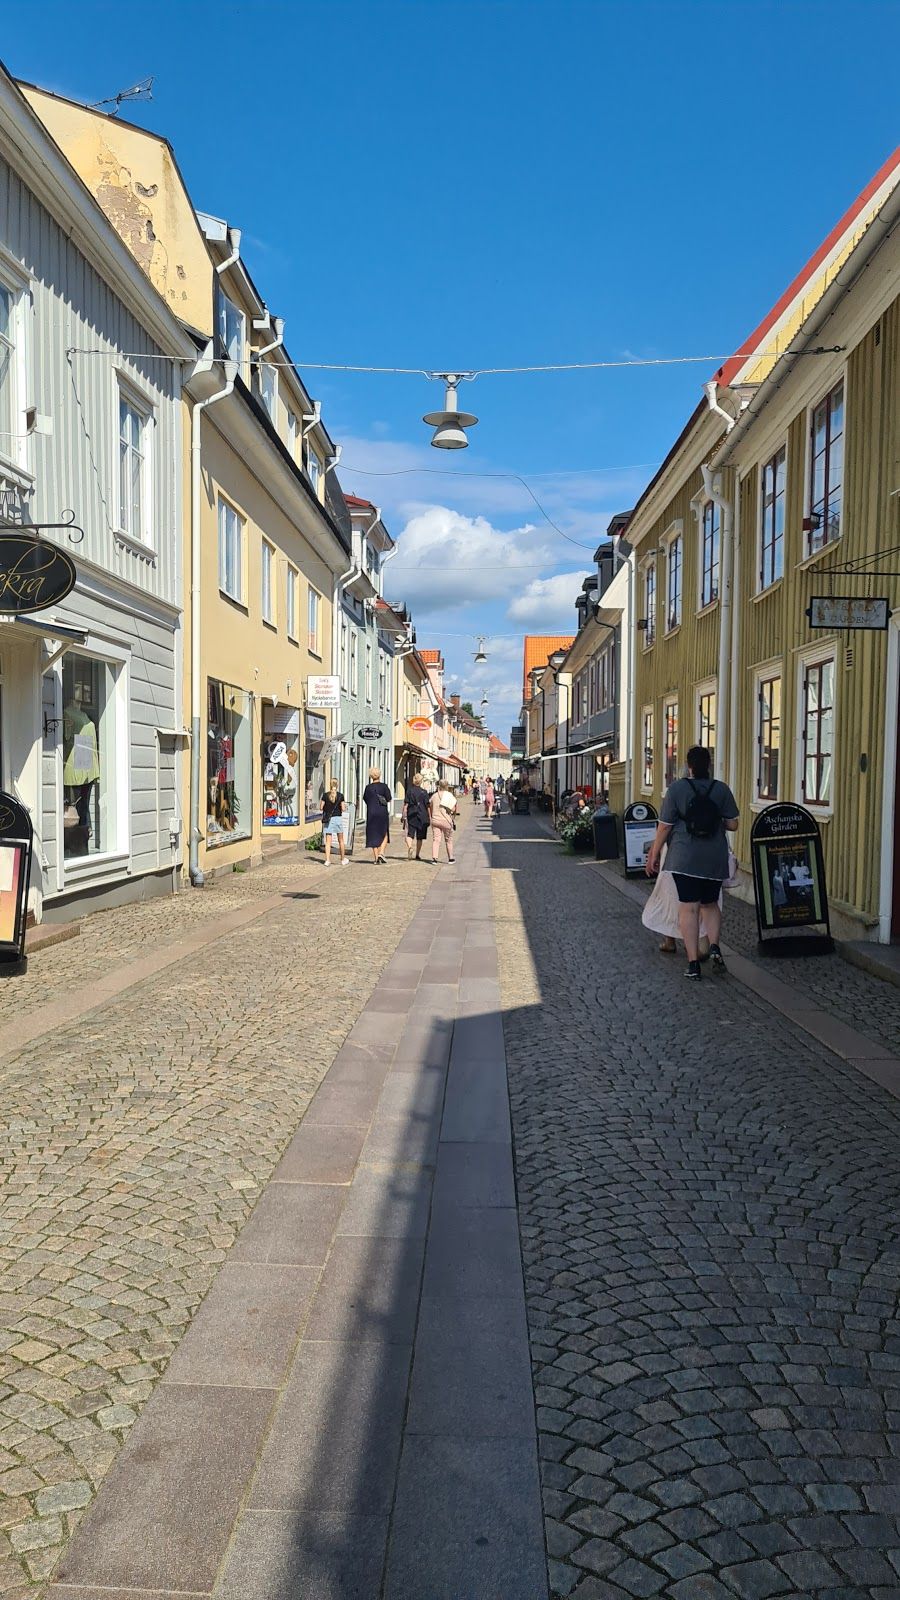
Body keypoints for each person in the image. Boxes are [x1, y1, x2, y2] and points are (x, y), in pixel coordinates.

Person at [645, 745, 739, 980]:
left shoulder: (677, 789)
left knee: (689, 908)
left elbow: (665, 826)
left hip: (684, 858)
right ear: (708, 765)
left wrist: (654, 854)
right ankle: (715, 947)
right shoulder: (721, 789)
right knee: (710, 905)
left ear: (689, 766)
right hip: (714, 858)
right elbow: (733, 824)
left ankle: (693, 963)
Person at [362, 766, 392, 865]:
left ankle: (376, 858)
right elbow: (389, 798)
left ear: (371, 776)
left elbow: (365, 799)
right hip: (382, 812)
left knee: (373, 834)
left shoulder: (368, 788)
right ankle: (381, 853)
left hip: (371, 812)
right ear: (380, 774)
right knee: (384, 832)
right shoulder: (384, 786)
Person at [402, 771, 430, 861]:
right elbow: (427, 806)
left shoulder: (409, 791)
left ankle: (410, 847)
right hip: (422, 815)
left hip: (412, 814)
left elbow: (406, 804)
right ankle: (417, 854)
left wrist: (403, 815)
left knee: (410, 834)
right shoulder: (424, 792)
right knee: (420, 836)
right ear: (421, 781)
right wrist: (430, 816)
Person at [321, 777, 348, 867]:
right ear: (337, 785)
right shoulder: (340, 795)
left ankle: (328, 860)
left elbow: (321, 807)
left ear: (330, 785)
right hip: (338, 818)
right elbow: (343, 808)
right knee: (341, 840)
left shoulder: (325, 795)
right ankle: (343, 859)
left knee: (328, 842)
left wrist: (327, 808)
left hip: (329, 819)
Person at [430, 782, 458, 863]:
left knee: (436, 839)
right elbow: (453, 809)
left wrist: (431, 816)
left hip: (435, 819)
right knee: (448, 839)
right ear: (447, 786)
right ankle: (451, 858)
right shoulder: (449, 795)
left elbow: (430, 805)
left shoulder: (434, 795)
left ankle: (434, 859)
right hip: (446, 820)